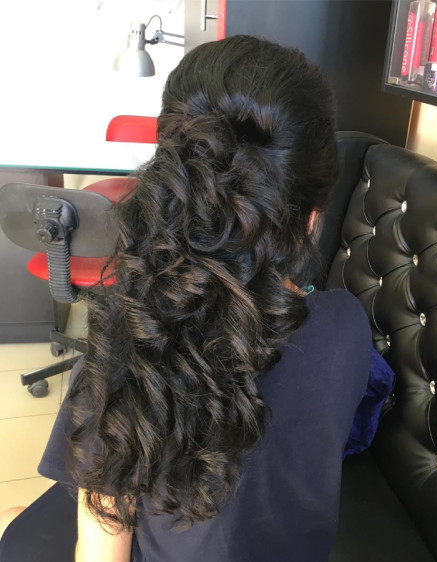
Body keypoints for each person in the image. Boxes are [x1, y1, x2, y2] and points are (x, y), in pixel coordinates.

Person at [0, 34, 384, 561]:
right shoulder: (347, 324)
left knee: (11, 520)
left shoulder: (134, 343)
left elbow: (102, 552)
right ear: (312, 221)